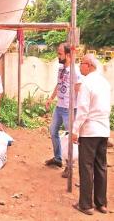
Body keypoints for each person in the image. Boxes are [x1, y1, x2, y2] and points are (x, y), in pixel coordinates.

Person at [71, 54, 111, 215]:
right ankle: (101, 204)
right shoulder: (104, 82)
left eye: (81, 63)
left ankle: (86, 204)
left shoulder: (86, 83)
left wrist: (75, 130)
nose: (80, 66)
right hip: (103, 130)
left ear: (89, 65)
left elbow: (82, 110)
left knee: (86, 167)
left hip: (89, 131)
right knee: (101, 166)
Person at [44, 43, 82, 177]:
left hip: (69, 109)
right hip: (59, 107)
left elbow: (79, 91)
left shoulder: (75, 71)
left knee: (69, 137)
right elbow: (59, 85)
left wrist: (78, 110)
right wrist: (51, 98)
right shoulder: (60, 68)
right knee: (53, 131)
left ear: (68, 55)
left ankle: (69, 166)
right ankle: (58, 158)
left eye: (60, 53)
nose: (57, 55)